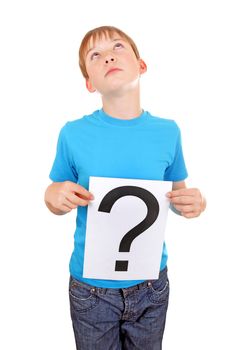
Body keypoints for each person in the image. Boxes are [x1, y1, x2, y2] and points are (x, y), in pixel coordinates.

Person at [44, 25, 206, 350]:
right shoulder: (73, 134)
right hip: (91, 289)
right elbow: (52, 192)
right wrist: (56, 197)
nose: (108, 57)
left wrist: (193, 203)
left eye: (117, 47)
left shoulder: (168, 132)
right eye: (95, 55)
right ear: (89, 83)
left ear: (141, 65)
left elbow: (175, 195)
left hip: (150, 284)